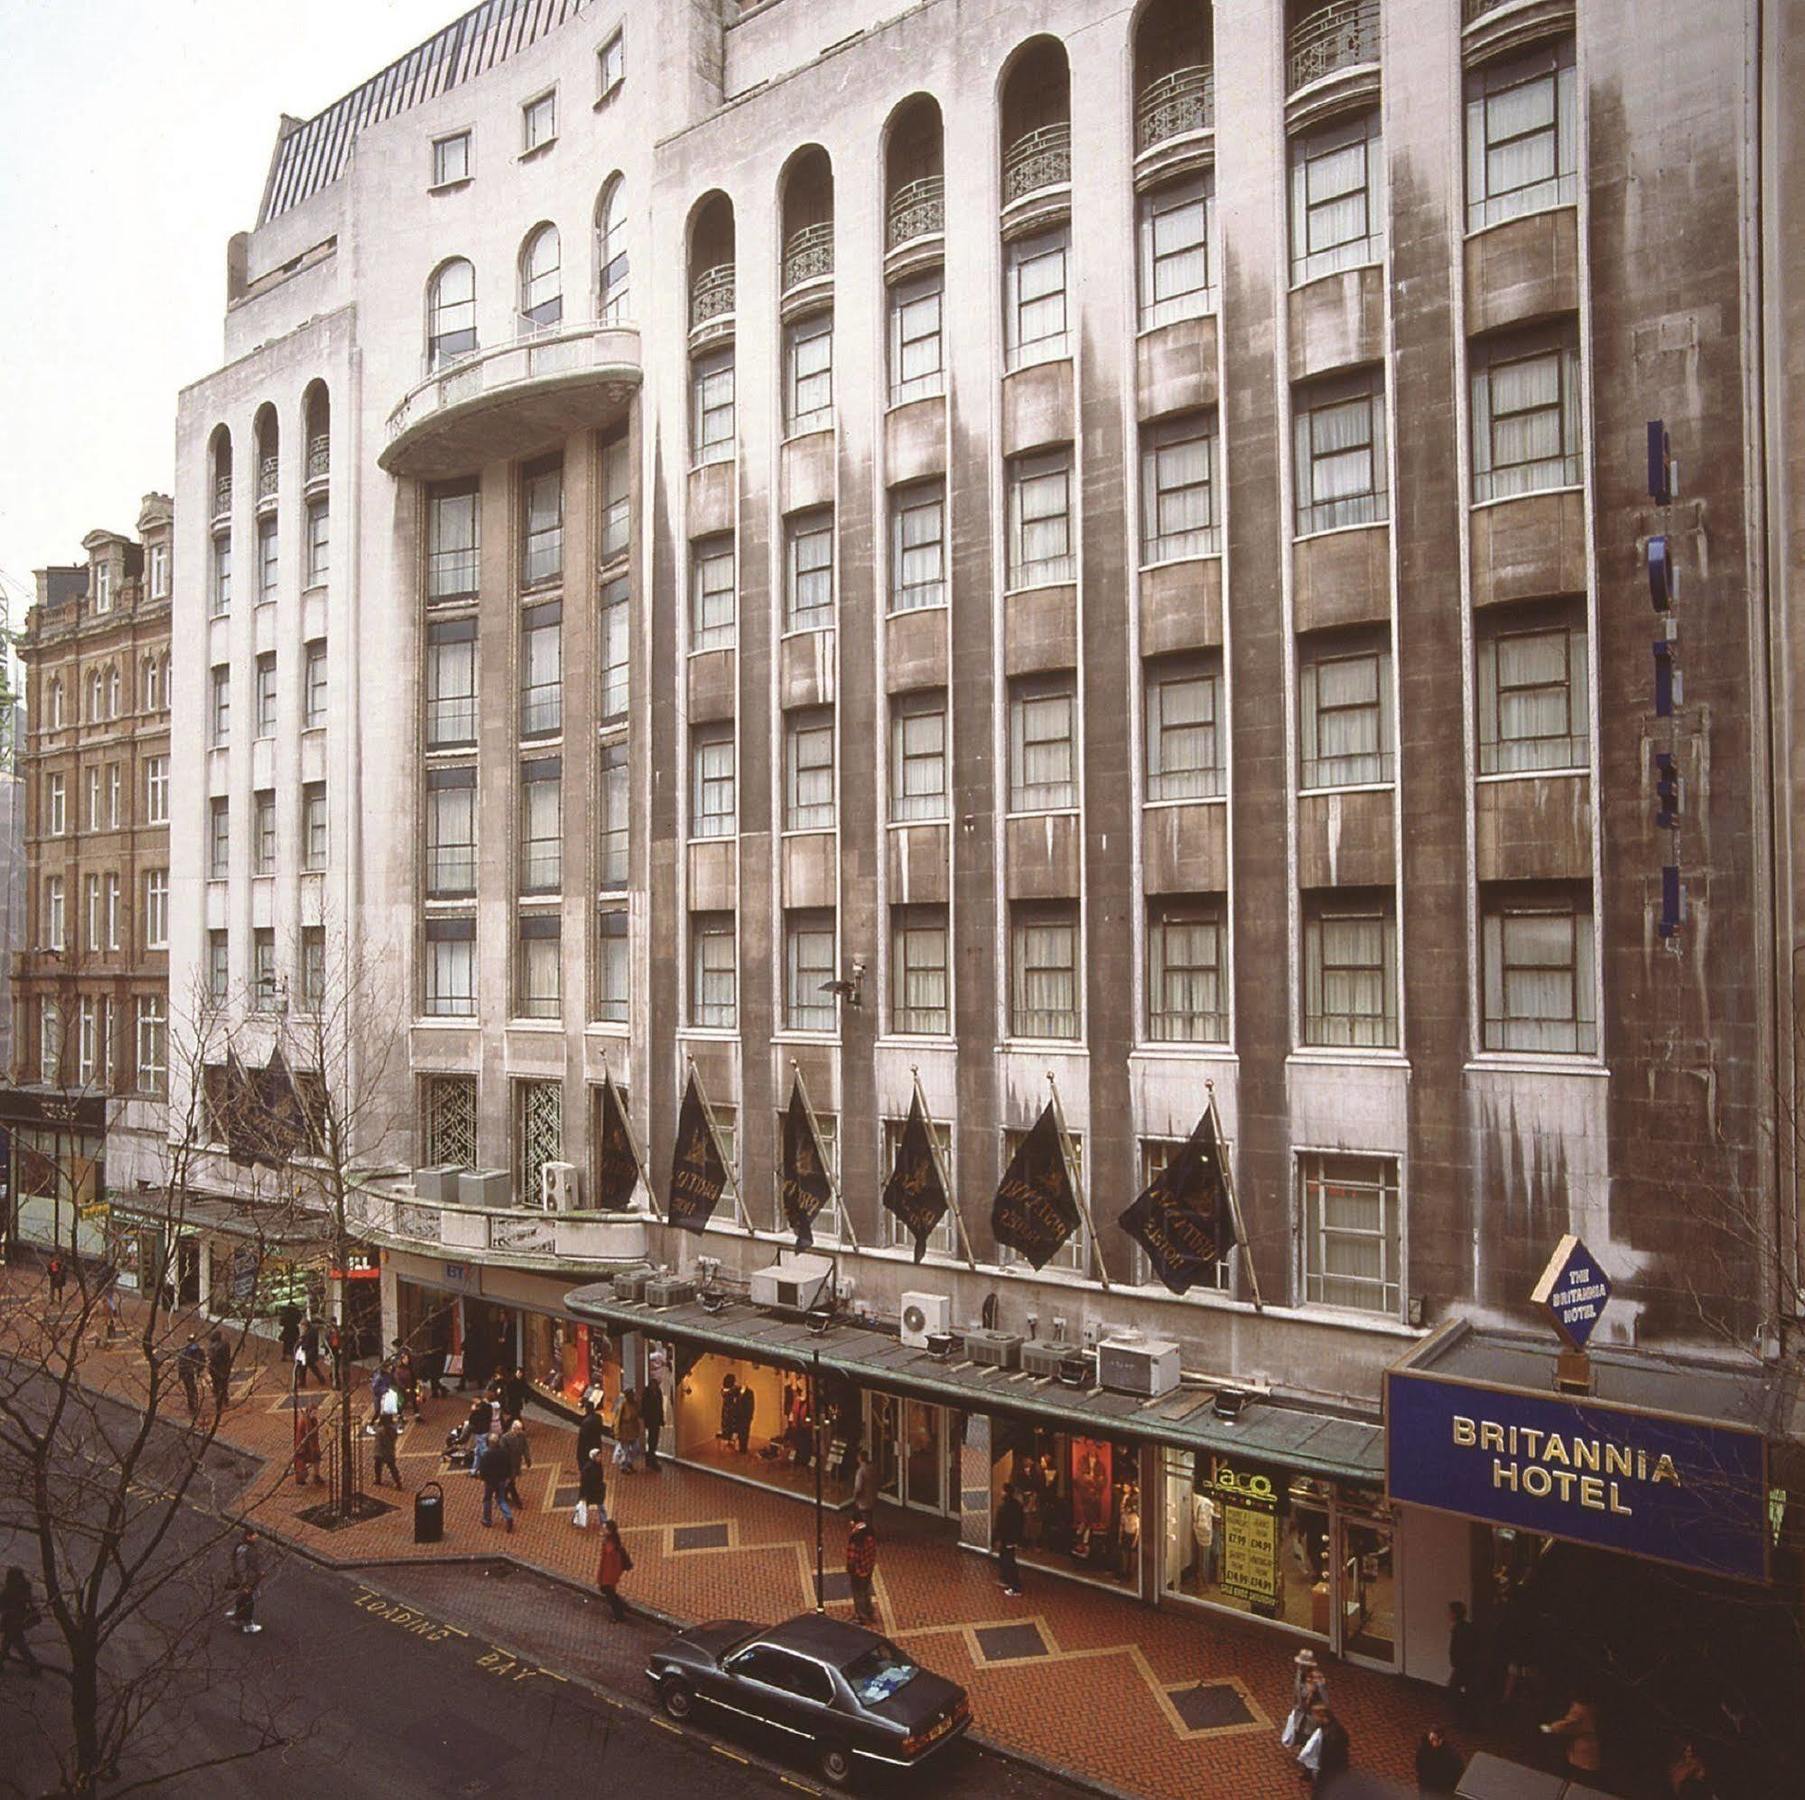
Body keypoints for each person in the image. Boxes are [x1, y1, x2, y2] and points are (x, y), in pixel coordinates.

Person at [1540, 1693, 1603, 1775]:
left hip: (1582, 1763)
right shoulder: (1587, 1712)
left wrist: (1549, 1728)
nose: (1568, 1715)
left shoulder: (1580, 1714)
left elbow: (1566, 1725)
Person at [1298, 1700, 1349, 1796]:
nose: (1313, 1718)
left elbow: (1329, 1756)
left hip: (1331, 1767)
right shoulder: (1330, 1726)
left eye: (1315, 1715)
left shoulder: (1331, 1736)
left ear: (1322, 1716)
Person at [1, 1566, 42, 1676]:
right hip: (18, 1620)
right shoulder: (24, 1588)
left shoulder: (11, 1590)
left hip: (12, 1621)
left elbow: (3, 1603)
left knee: (18, 1643)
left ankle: (34, 1666)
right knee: (10, 1641)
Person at [1283, 1649, 1328, 1748]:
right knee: (1300, 1731)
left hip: (1311, 1714)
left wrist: (1321, 1713)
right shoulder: (1300, 1673)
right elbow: (1296, 1691)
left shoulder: (1318, 1679)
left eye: (1303, 1664)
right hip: (1301, 1711)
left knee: (1310, 1735)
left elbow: (1324, 1699)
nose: (1301, 1666)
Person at [1447, 1600, 1480, 1726]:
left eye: (1450, 1612)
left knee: (1454, 1691)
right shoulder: (1467, 1628)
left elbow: (1458, 1649)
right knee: (1464, 1691)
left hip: (1463, 1666)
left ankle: (1462, 1719)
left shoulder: (1459, 1630)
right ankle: (1466, 1719)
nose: (1448, 1614)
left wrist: (1457, 1662)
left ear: (1454, 1614)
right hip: (1467, 1666)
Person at [595, 1519, 632, 1622]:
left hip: (609, 1575)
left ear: (610, 1531)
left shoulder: (612, 1547)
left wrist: (608, 1578)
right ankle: (621, 1606)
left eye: (605, 1528)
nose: (603, 1529)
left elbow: (614, 1565)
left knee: (609, 1593)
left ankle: (619, 1613)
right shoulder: (609, 1542)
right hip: (607, 1573)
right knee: (608, 1592)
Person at [477, 1432, 514, 1532]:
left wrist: (483, 1478)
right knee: (501, 1499)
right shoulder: (504, 1453)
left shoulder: (486, 1455)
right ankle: (508, 1516)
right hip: (501, 1480)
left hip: (490, 1482)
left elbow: (482, 1470)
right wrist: (508, 1477)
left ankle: (487, 1520)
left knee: (487, 1499)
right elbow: (509, 1466)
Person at [229, 1529, 263, 1635]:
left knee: (242, 1597)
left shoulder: (241, 1546)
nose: (257, 1536)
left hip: (245, 1578)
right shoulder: (247, 1550)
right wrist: (247, 1583)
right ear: (248, 1537)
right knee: (248, 1600)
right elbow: (244, 1566)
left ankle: (237, 1617)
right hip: (248, 1579)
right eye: (254, 1534)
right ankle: (248, 1625)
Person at [846, 1519, 878, 1628]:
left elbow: (851, 1559)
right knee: (865, 1591)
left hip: (858, 1572)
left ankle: (861, 1617)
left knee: (858, 1593)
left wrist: (851, 1569)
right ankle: (869, 1612)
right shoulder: (870, 1540)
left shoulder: (855, 1542)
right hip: (868, 1569)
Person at [995, 1480, 1025, 1597]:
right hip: (1012, 1537)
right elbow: (1021, 1522)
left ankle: (1015, 1586)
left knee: (1008, 1561)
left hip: (1007, 1538)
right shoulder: (1017, 1506)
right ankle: (1007, 1580)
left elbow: (1001, 1524)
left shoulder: (1005, 1508)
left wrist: (998, 1537)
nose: (1001, 1493)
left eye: (1003, 1491)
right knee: (1005, 1558)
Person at [1415, 1725, 1463, 1797]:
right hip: (1426, 1784)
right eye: (1430, 1739)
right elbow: (1419, 1762)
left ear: (1441, 1740)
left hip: (1440, 1789)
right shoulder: (1424, 1747)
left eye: (1434, 1739)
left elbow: (1458, 1772)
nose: (1431, 1742)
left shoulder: (1450, 1755)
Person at [503, 1418, 532, 1510]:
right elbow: (504, 1453)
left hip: (516, 1462)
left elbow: (525, 1447)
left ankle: (504, 1494)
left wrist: (528, 1459)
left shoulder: (522, 1435)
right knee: (511, 1482)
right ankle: (516, 1501)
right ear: (513, 1428)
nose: (520, 1431)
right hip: (508, 1464)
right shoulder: (505, 1438)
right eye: (518, 1429)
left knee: (511, 1480)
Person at [577, 1446, 609, 1529]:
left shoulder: (598, 1465)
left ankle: (604, 1521)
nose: (600, 1458)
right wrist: (583, 1494)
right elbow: (584, 1482)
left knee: (601, 1505)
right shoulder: (588, 1469)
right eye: (598, 1456)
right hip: (589, 1491)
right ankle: (577, 1519)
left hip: (597, 1490)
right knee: (583, 1506)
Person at [615, 1388, 644, 1472]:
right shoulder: (623, 1404)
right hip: (625, 1431)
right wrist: (617, 1433)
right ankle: (624, 1466)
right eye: (631, 1394)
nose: (633, 1396)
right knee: (625, 1450)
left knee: (636, 1448)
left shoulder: (635, 1403)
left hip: (634, 1430)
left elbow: (639, 1413)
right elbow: (617, 1419)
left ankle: (629, 1462)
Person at [207, 1329, 233, 1422]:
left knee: (217, 1384)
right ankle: (225, 1399)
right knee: (224, 1384)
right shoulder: (225, 1344)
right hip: (224, 1368)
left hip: (216, 1368)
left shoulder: (214, 1347)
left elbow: (211, 1357)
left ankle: (220, 1400)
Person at [177, 1334, 205, 1420]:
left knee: (189, 1389)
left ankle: (192, 1406)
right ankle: (194, 1406)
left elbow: (180, 1363)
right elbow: (201, 1361)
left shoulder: (184, 1351)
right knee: (193, 1389)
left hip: (186, 1373)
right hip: (191, 1373)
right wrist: (199, 1370)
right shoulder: (198, 1350)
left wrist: (180, 1375)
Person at [373, 1409, 403, 1490]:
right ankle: (398, 1482)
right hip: (389, 1450)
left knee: (379, 1465)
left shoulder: (381, 1430)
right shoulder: (393, 1430)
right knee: (392, 1467)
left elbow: (378, 1440)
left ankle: (378, 1479)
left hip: (381, 1451)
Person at [640, 1372, 664, 1470]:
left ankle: (651, 1457)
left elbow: (660, 1406)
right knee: (652, 1439)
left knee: (654, 1438)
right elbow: (644, 1406)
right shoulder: (647, 1392)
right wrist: (645, 1419)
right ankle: (651, 1458)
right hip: (651, 1420)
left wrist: (661, 1419)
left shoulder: (658, 1391)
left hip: (656, 1420)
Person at [294, 1408, 323, 1486]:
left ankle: (316, 1475)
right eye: (314, 1412)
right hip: (304, 1444)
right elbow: (307, 1433)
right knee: (301, 1460)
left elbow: (314, 1433)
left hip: (312, 1443)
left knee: (317, 1457)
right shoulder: (304, 1421)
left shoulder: (313, 1420)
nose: (315, 1414)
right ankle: (300, 1478)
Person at [577, 1397, 606, 1473]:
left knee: (588, 1463)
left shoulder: (585, 1422)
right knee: (597, 1460)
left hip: (587, 1446)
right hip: (597, 1443)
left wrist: (579, 1453)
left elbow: (582, 1439)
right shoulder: (599, 1417)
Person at [300, 1316, 328, 1389]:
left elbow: (308, 1343)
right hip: (310, 1352)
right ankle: (320, 1379)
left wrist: (302, 1345)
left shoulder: (310, 1332)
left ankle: (303, 1382)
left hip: (309, 1352)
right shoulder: (311, 1330)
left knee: (306, 1367)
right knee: (311, 1367)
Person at [852, 1449, 877, 1522]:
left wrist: (855, 1497)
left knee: (864, 1517)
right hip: (872, 1496)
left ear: (859, 1458)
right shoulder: (872, 1468)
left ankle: (868, 1531)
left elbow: (858, 1488)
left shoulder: (860, 1471)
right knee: (869, 1516)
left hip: (863, 1500)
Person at [278, 1303, 302, 1370]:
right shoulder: (297, 1311)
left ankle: (285, 1355)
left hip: (287, 1329)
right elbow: (299, 1319)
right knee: (293, 1343)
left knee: (286, 1343)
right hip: (294, 1330)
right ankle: (292, 1356)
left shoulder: (286, 1312)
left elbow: (281, 1322)